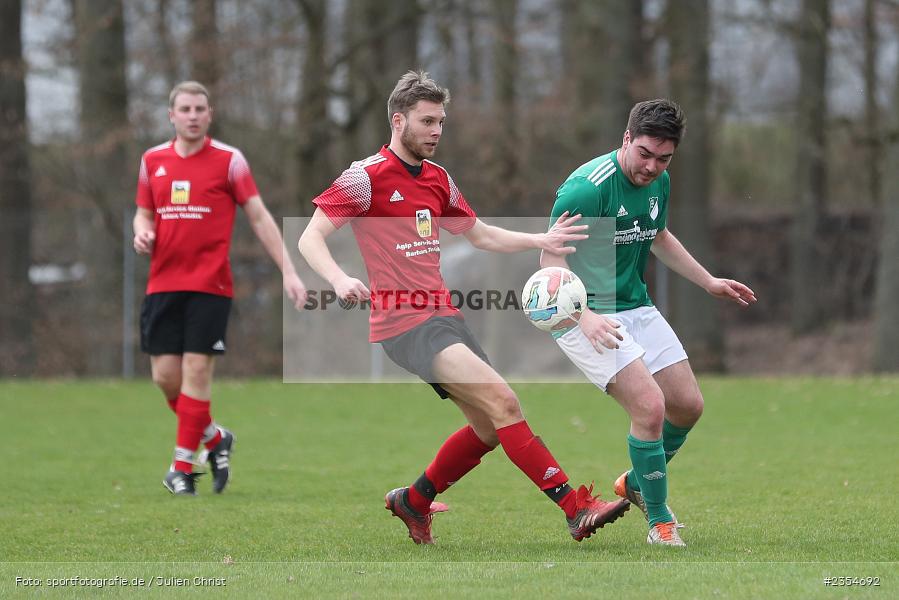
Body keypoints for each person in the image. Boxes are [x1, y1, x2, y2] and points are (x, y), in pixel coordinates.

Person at [298, 70, 630, 544]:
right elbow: (310, 236)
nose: (436, 131)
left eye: (441, 122)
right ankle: (575, 508)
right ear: (398, 120)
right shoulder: (364, 177)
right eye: (428, 121)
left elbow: (480, 235)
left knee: (491, 427)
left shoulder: (438, 179)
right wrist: (338, 278)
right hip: (404, 323)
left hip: (443, 316)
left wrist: (542, 238)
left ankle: (413, 500)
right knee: (505, 402)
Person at [542, 99, 757, 546]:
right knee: (650, 408)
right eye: (645, 154)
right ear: (626, 139)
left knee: (687, 406)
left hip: (635, 306)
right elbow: (550, 261)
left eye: (664, 158)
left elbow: (657, 235)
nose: (653, 167)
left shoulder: (661, 182)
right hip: (582, 312)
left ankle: (638, 482)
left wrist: (709, 282)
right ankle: (659, 522)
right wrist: (584, 318)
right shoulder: (587, 189)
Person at [133, 81, 307, 496]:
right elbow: (142, 214)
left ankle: (181, 467)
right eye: (185, 109)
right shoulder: (152, 160)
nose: (192, 115)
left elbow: (260, 218)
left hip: (211, 286)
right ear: (171, 116)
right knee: (165, 377)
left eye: (199, 109)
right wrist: (141, 232)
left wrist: (290, 271)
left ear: (209, 114)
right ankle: (214, 438)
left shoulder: (230, 161)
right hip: (162, 285)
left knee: (196, 371)